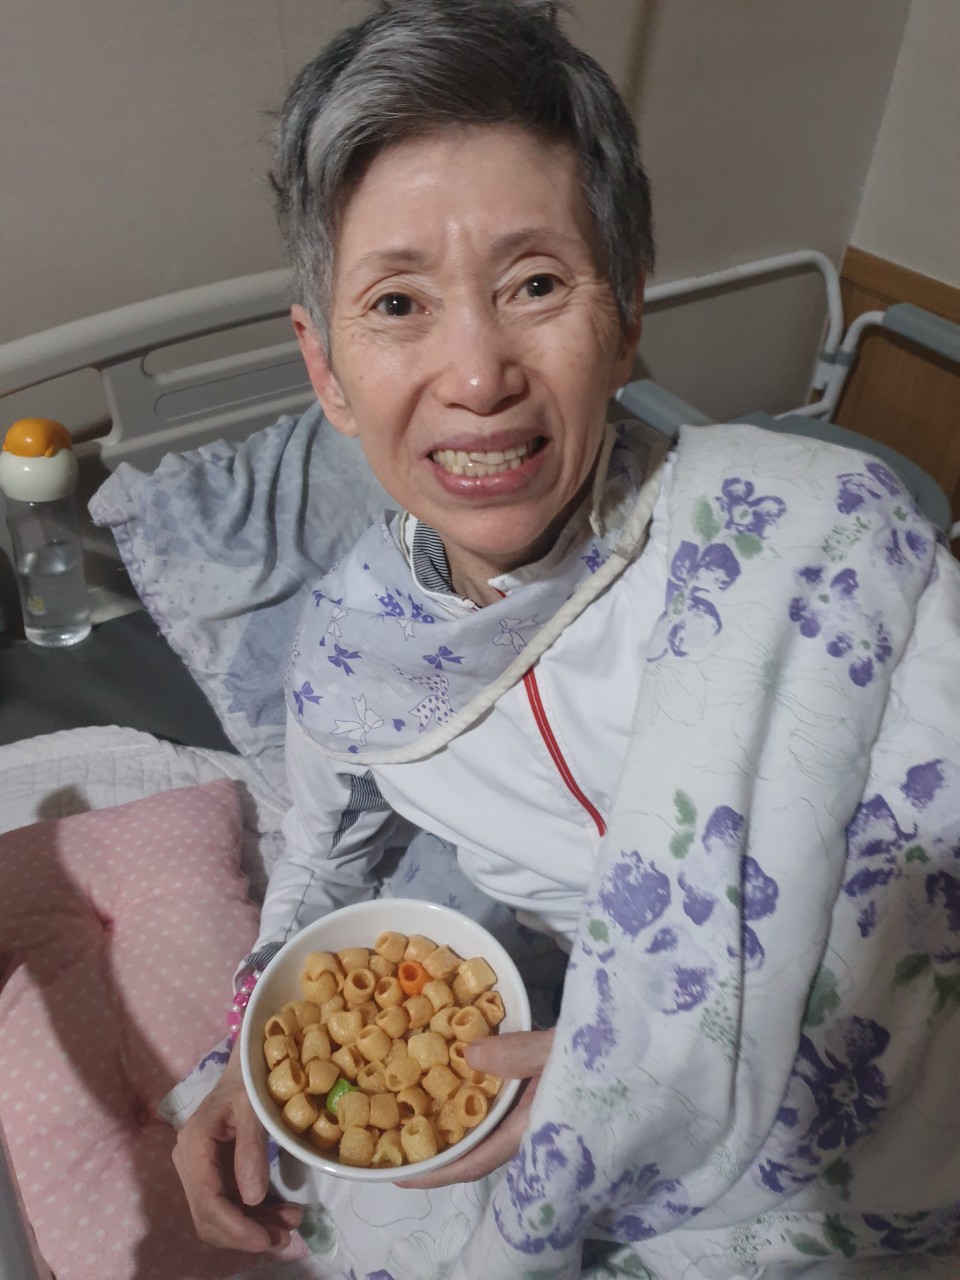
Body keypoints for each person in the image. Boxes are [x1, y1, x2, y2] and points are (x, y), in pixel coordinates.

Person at [172, 2, 960, 1277]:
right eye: (397, 302)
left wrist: (629, 1075)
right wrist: (237, 1050)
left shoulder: (827, 538)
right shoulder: (352, 650)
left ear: (626, 311)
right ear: (326, 370)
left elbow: (930, 916)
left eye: (536, 284)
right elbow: (319, 862)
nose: (478, 374)